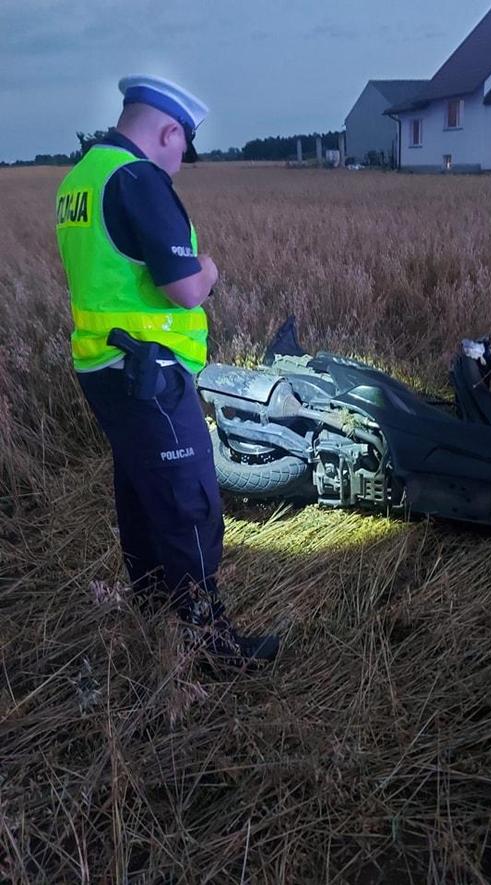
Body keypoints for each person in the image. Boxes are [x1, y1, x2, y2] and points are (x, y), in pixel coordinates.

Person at [55, 74, 279, 665]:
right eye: (183, 147)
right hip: (147, 371)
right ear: (168, 130)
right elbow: (182, 289)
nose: (181, 161)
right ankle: (211, 645)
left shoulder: (82, 177)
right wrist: (209, 271)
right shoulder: (137, 178)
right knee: (187, 499)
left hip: (104, 366)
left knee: (140, 486)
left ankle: (154, 613)